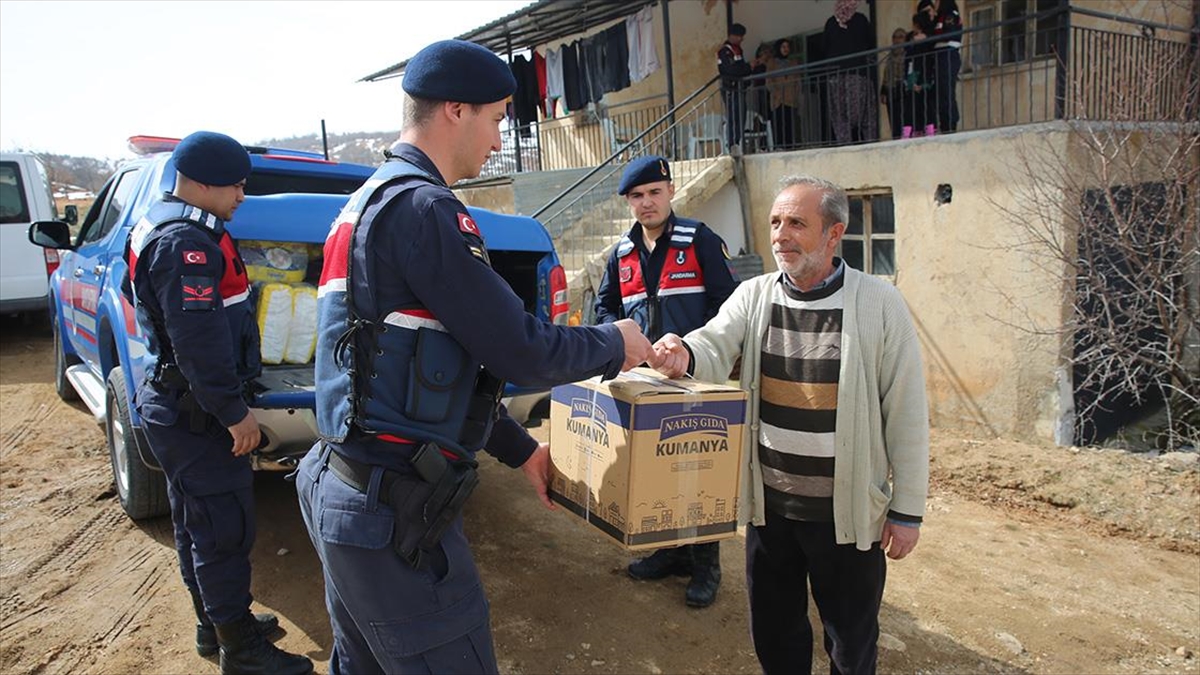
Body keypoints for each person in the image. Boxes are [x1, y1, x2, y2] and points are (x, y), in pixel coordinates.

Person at [295, 39, 653, 674]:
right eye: (495, 119)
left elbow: (428, 367)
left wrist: (523, 451)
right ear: (455, 111)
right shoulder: (425, 208)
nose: (497, 140)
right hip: (395, 518)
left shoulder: (367, 200)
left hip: (345, 492)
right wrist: (615, 343)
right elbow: (518, 348)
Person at [648, 175, 930, 675]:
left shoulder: (879, 304)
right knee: (776, 637)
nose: (780, 234)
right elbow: (714, 343)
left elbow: (905, 411)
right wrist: (682, 351)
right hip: (769, 511)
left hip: (844, 520)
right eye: (775, 221)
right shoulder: (753, 296)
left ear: (834, 234)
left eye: (797, 223)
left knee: (850, 642)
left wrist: (906, 512)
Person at [121, 131, 313, 675]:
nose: (242, 195)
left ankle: (218, 625)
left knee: (198, 524)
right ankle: (242, 653)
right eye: (235, 185)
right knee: (222, 530)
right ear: (200, 183)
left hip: (179, 408)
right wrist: (233, 413)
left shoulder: (171, 224)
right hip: (197, 413)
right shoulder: (188, 246)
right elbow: (198, 345)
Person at [593, 155, 740, 608]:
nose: (646, 203)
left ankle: (706, 563)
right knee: (659, 471)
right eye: (637, 196)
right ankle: (672, 552)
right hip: (645, 383)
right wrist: (620, 347)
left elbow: (729, 307)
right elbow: (604, 310)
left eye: (654, 192)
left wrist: (691, 347)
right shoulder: (621, 254)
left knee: (699, 472)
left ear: (670, 192)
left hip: (695, 376)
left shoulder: (698, 240)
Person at [823, 0, 878, 144]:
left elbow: (825, 47)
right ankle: (870, 145)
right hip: (857, 73)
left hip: (837, 75)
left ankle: (846, 146)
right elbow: (870, 42)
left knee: (841, 117)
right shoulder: (860, 20)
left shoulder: (831, 22)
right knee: (866, 115)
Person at [717, 23, 756, 151]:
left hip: (739, 88)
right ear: (732, 35)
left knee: (741, 116)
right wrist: (748, 67)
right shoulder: (725, 51)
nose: (741, 39)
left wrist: (750, 68)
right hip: (731, 88)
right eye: (740, 36)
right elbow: (730, 69)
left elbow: (739, 69)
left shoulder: (737, 50)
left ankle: (738, 142)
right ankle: (732, 143)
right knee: (733, 117)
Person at [930, 0, 964, 132]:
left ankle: (950, 123)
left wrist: (934, 37)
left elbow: (947, 34)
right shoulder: (940, 17)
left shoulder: (951, 15)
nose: (935, 4)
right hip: (940, 56)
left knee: (947, 91)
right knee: (940, 92)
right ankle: (944, 122)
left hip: (948, 54)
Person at [766, 38, 799, 150]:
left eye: (787, 47)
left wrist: (796, 95)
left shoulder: (793, 63)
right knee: (778, 123)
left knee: (789, 123)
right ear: (778, 48)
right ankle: (779, 146)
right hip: (777, 100)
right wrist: (777, 94)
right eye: (783, 47)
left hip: (790, 98)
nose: (786, 49)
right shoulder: (772, 62)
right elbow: (769, 81)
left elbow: (798, 80)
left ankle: (789, 146)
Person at [881, 28, 910, 140]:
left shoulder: (907, 53)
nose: (897, 40)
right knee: (894, 122)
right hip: (891, 92)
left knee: (905, 120)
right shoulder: (890, 56)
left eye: (900, 37)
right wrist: (883, 91)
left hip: (903, 90)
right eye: (894, 37)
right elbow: (886, 74)